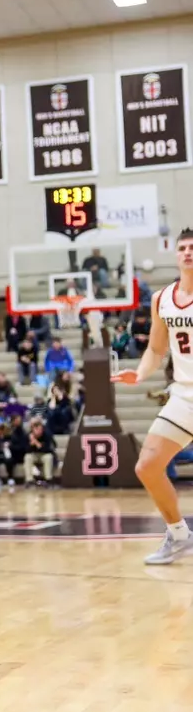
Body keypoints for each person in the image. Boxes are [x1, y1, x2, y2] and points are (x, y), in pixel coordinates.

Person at [114, 229, 193, 563]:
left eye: (192, 248)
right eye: (182, 248)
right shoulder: (162, 298)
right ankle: (178, 535)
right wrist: (141, 373)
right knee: (147, 466)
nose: (188, 252)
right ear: (175, 255)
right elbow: (157, 347)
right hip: (185, 395)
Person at [23, 419, 55, 485]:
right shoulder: (28, 435)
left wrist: (36, 442)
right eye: (36, 429)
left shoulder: (47, 435)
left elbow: (48, 449)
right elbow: (25, 450)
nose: (38, 431)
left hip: (45, 454)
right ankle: (29, 480)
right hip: (34, 455)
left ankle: (48, 479)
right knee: (27, 457)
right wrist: (31, 445)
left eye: (40, 429)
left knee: (49, 457)